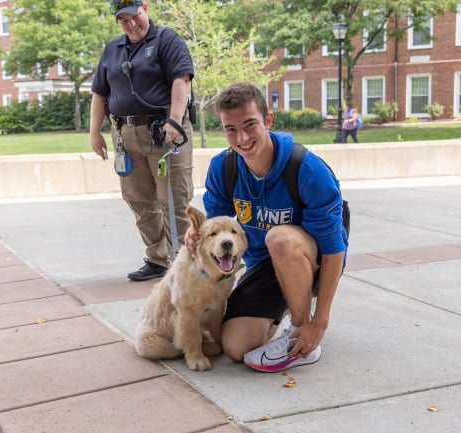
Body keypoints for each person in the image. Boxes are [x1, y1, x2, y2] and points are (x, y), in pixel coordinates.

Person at [186, 82, 348, 372]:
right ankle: (286, 303)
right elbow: (218, 229)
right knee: (235, 348)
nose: (242, 137)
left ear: (268, 120)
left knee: (280, 239)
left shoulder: (307, 170)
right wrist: (197, 234)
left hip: (312, 260)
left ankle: (300, 329)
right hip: (265, 265)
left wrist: (319, 321)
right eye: (231, 129)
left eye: (250, 125)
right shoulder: (223, 168)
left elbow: (335, 250)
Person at [90, 0, 195, 281]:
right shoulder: (112, 48)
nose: (131, 24)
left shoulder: (166, 39)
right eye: (123, 20)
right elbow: (100, 92)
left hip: (164, 133)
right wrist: (94, 131)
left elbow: (181, 80)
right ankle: (158, 258)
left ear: (145, 8)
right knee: (139, 200)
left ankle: (186, 262)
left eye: (135, 16)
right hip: (125, 134)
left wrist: (174, 119)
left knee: (174, 200)